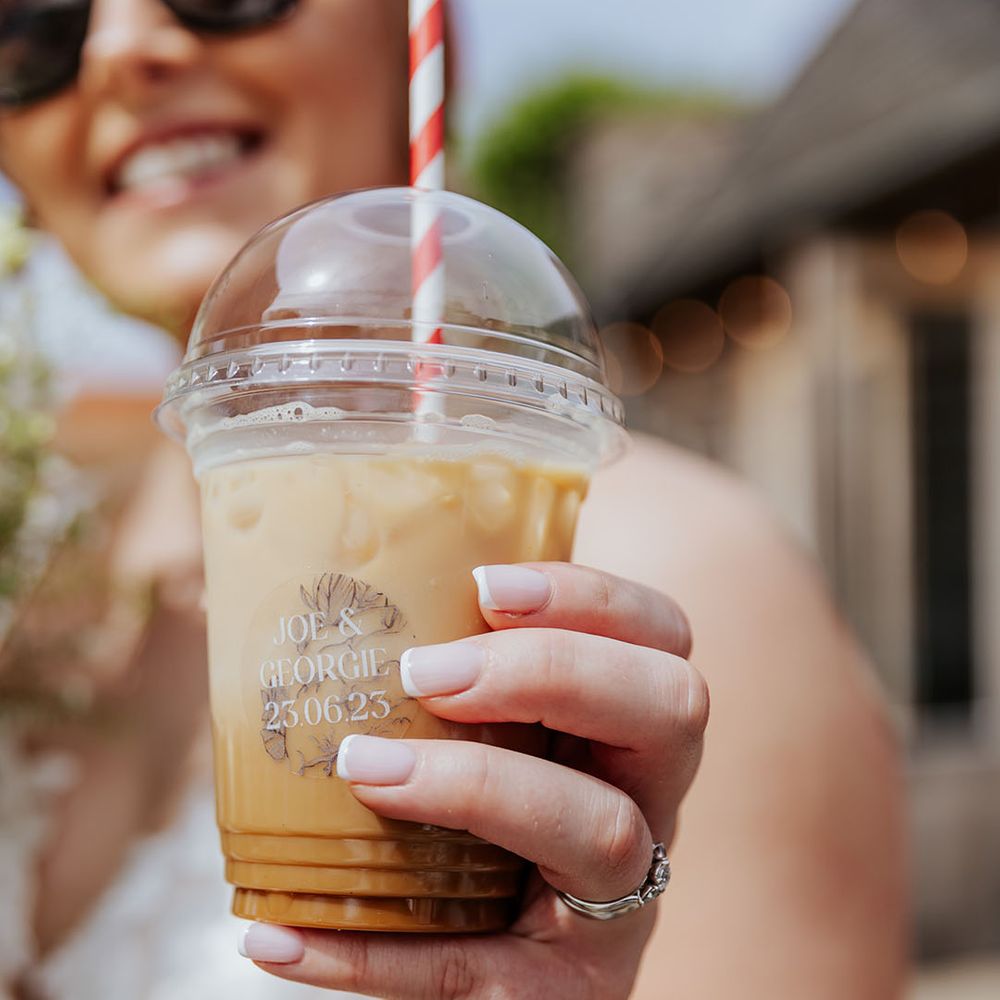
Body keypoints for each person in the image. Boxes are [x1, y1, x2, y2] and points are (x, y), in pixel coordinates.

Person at [0, 1, 907, 998]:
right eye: (31, 23)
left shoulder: (682, 583)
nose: (122, 49)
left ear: (423, 34)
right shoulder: (33, 581)